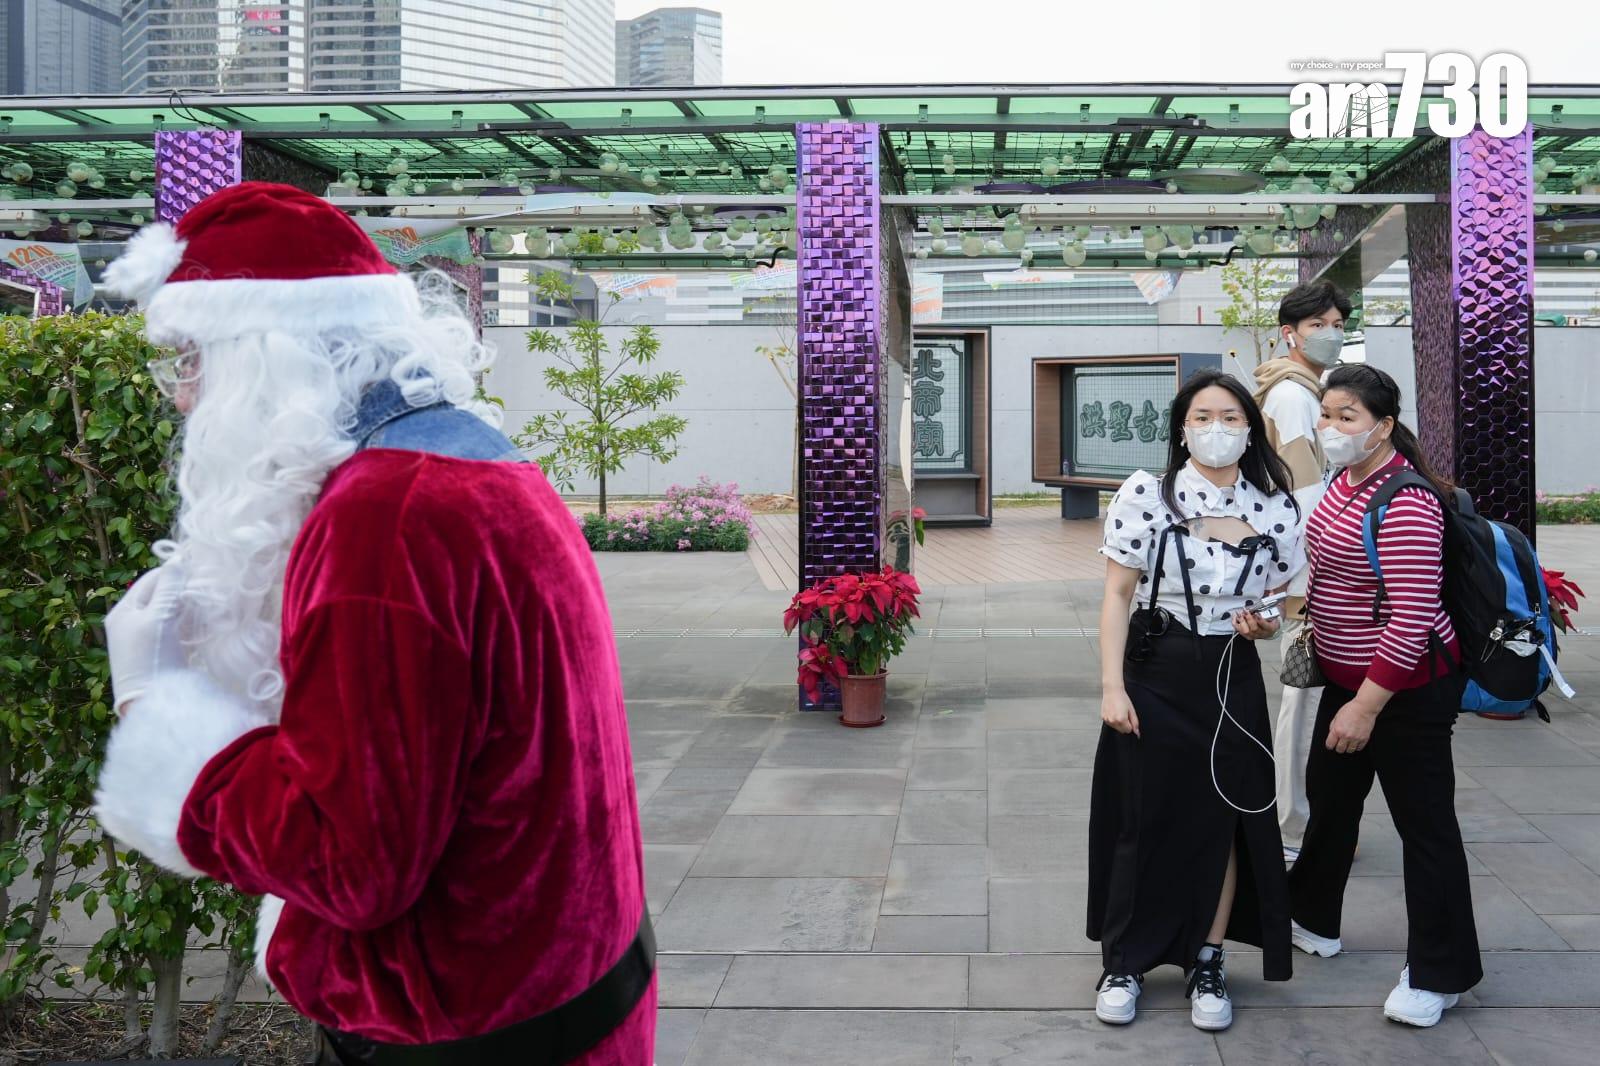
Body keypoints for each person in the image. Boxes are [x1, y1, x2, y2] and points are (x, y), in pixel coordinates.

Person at [92, 183, 656, 1065]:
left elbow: (350, 865)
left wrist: (161, 717)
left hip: (466, 1028)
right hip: (567, 993)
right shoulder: (462, 452)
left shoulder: (381, 523)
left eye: (193, 360)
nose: (182, 398)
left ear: (266, 357)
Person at [1089, 368, 1305, 1033]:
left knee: (1227, 818)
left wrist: (1266, 623)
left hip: (1231, 673)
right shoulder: (1146, 495)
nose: (1218, 429)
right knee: (1141, 815)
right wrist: (1111, 685)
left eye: (1233, 417)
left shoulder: (1274, 505)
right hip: (1156, 668)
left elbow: (1290, 599)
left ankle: (1208, 959)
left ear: (1252, 429)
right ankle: (1123, 960)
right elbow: (1117, 596)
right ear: (1182, 428)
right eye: (1204, 417)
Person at [1286, 363, 1483, 1028]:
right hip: (1348, 679)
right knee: (1332, 802)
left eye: (1348, 416)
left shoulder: (1406, 500)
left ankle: (1441, 973)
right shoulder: (1347, 481)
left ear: (1384, 426)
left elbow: (1412, 617)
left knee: (1425, 828)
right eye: (1326, 414)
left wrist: (1366, 707)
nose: (1332, 427)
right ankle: (1309, 917)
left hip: (1407, 691)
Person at [1253, 280, 1350, 863]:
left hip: (1307, 562)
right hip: (1313, 566)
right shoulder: (1293, 395)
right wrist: (1325, 568)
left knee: (1307, 690)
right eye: (1319, 324)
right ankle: (1292, 825)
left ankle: (1298, 817)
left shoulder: (1307, 388)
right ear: (1291, 333)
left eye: (1337, 322)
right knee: (1304, 692)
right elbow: (1307, 488)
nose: (1331, 333)